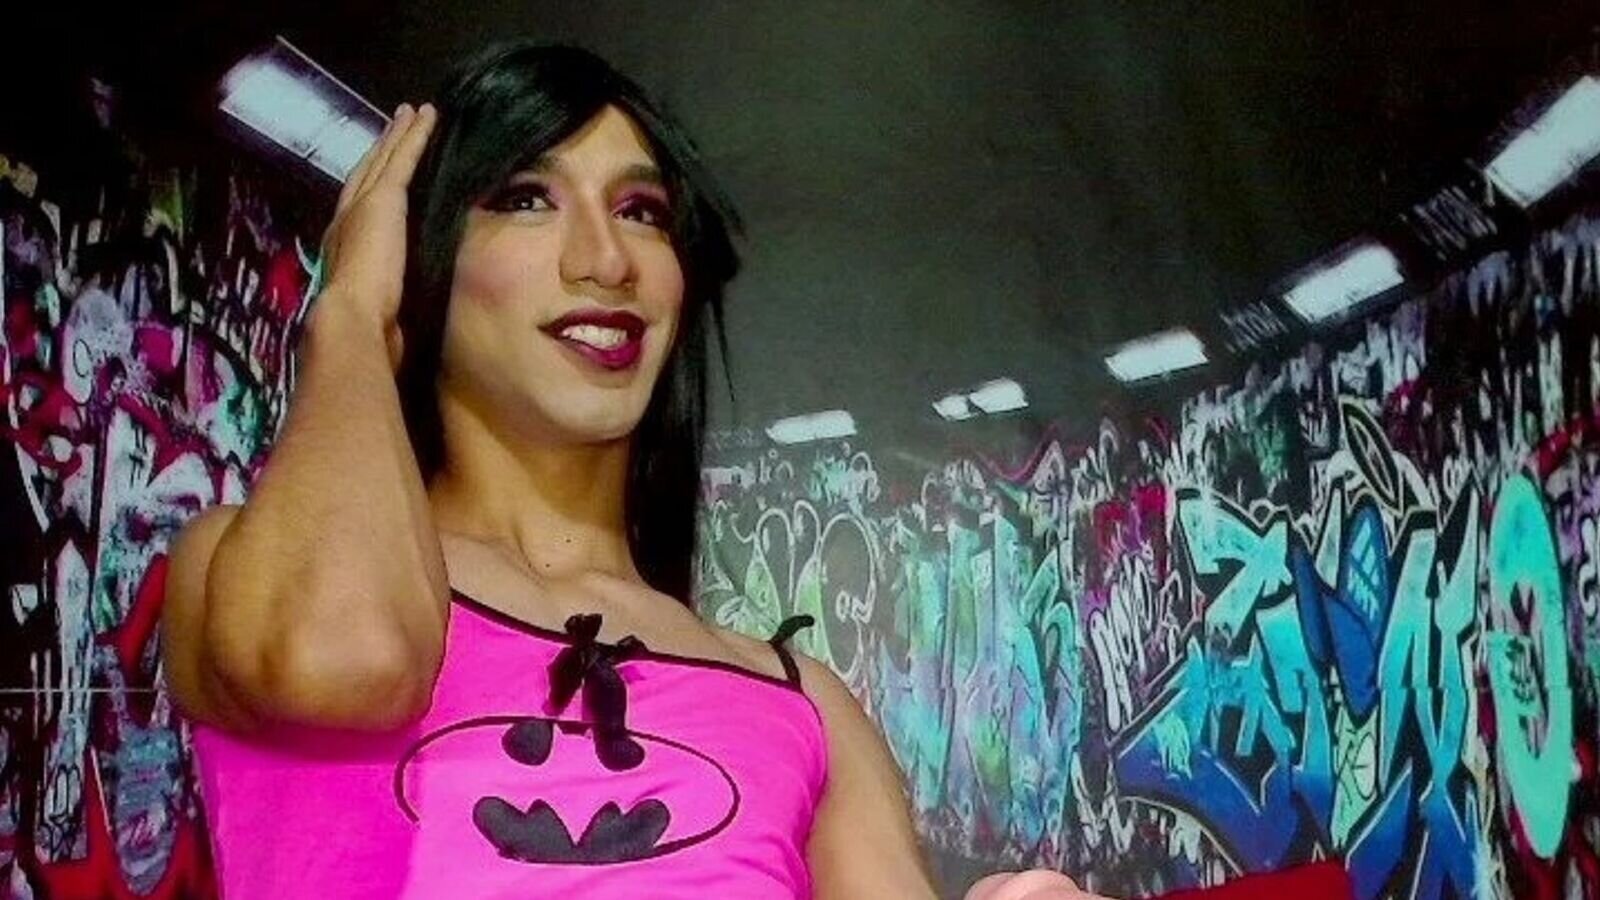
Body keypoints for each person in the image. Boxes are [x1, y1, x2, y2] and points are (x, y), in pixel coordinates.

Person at [160, 42, 1098, 899]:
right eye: (527, 197)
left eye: (640, 212)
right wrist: (352, 317)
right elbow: (342, 659)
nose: (605, 260)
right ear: (421, 254)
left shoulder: (802, 703)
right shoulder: (240, 571)